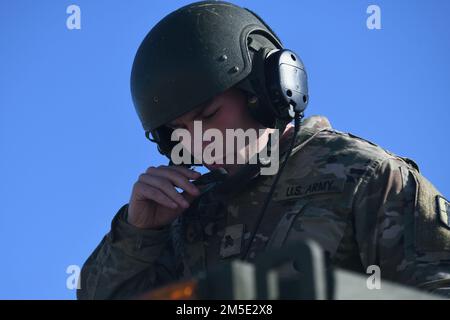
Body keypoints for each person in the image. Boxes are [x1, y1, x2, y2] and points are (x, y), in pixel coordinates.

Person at [77, 1, 450, 299]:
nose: (198, 142)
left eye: (208, 115)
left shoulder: (366, 177)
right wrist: (137, 234)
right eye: (178, 131)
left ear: (266, 92)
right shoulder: (186, 213)